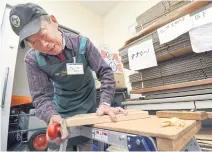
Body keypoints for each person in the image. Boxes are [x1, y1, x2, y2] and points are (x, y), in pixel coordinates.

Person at [9, 3, 127, 151]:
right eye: (35, 42)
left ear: (53, 21)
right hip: (61, 111)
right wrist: (52, 116)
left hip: (88, 108)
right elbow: (41, 96)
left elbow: (106, 72)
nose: (44, 44)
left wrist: (105, 103)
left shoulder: (82, 43)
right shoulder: (32, 59)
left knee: (86, 144)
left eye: (43, 34)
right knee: (59, 145)